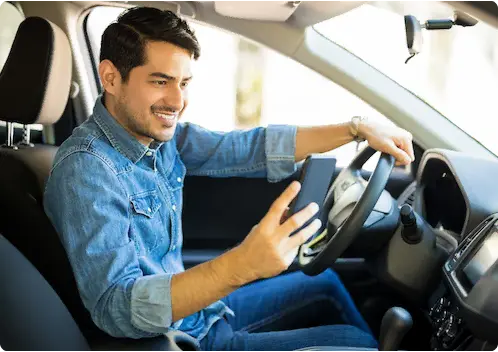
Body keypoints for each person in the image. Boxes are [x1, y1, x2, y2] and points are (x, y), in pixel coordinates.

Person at [44, 6, 415, 351]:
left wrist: (356, 129)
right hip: (180, 339)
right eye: (160, 82)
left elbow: (250, 148)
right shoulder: (87, 170)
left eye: (184, 83)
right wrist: (242, 265)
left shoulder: (156, 139)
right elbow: (116, 308)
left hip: (200, 312)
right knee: (352, 341)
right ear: (110, 77)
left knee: (327, 283)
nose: (176, 101)